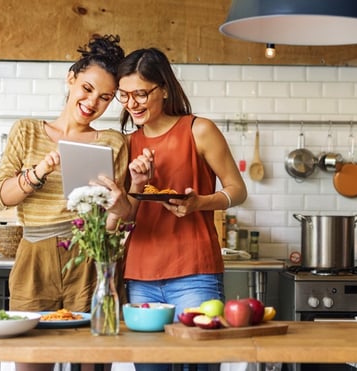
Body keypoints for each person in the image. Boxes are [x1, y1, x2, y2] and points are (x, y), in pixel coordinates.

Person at [0, 34, 129, 371]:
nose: (92, 101)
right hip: (34, 258)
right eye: (87, 88)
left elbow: (121, 216)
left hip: (90, 257)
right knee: (31, 361)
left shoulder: (113, 141)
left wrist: (118, 201)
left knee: (93, 361)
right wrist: (39, 170)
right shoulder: (26, 131)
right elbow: (0, 198)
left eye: (105, 97)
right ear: (71, 78)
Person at [117, 47, 247, 371]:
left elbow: (238, 190)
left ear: (163, 88)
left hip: (195, 272)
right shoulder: (127, 144)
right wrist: (136, 182)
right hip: (141, 274)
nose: (131, 103)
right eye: (123, 95)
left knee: (199, 365)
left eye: (140, 94)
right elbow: (127, 214)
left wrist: (200, 203)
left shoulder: (198, 130)